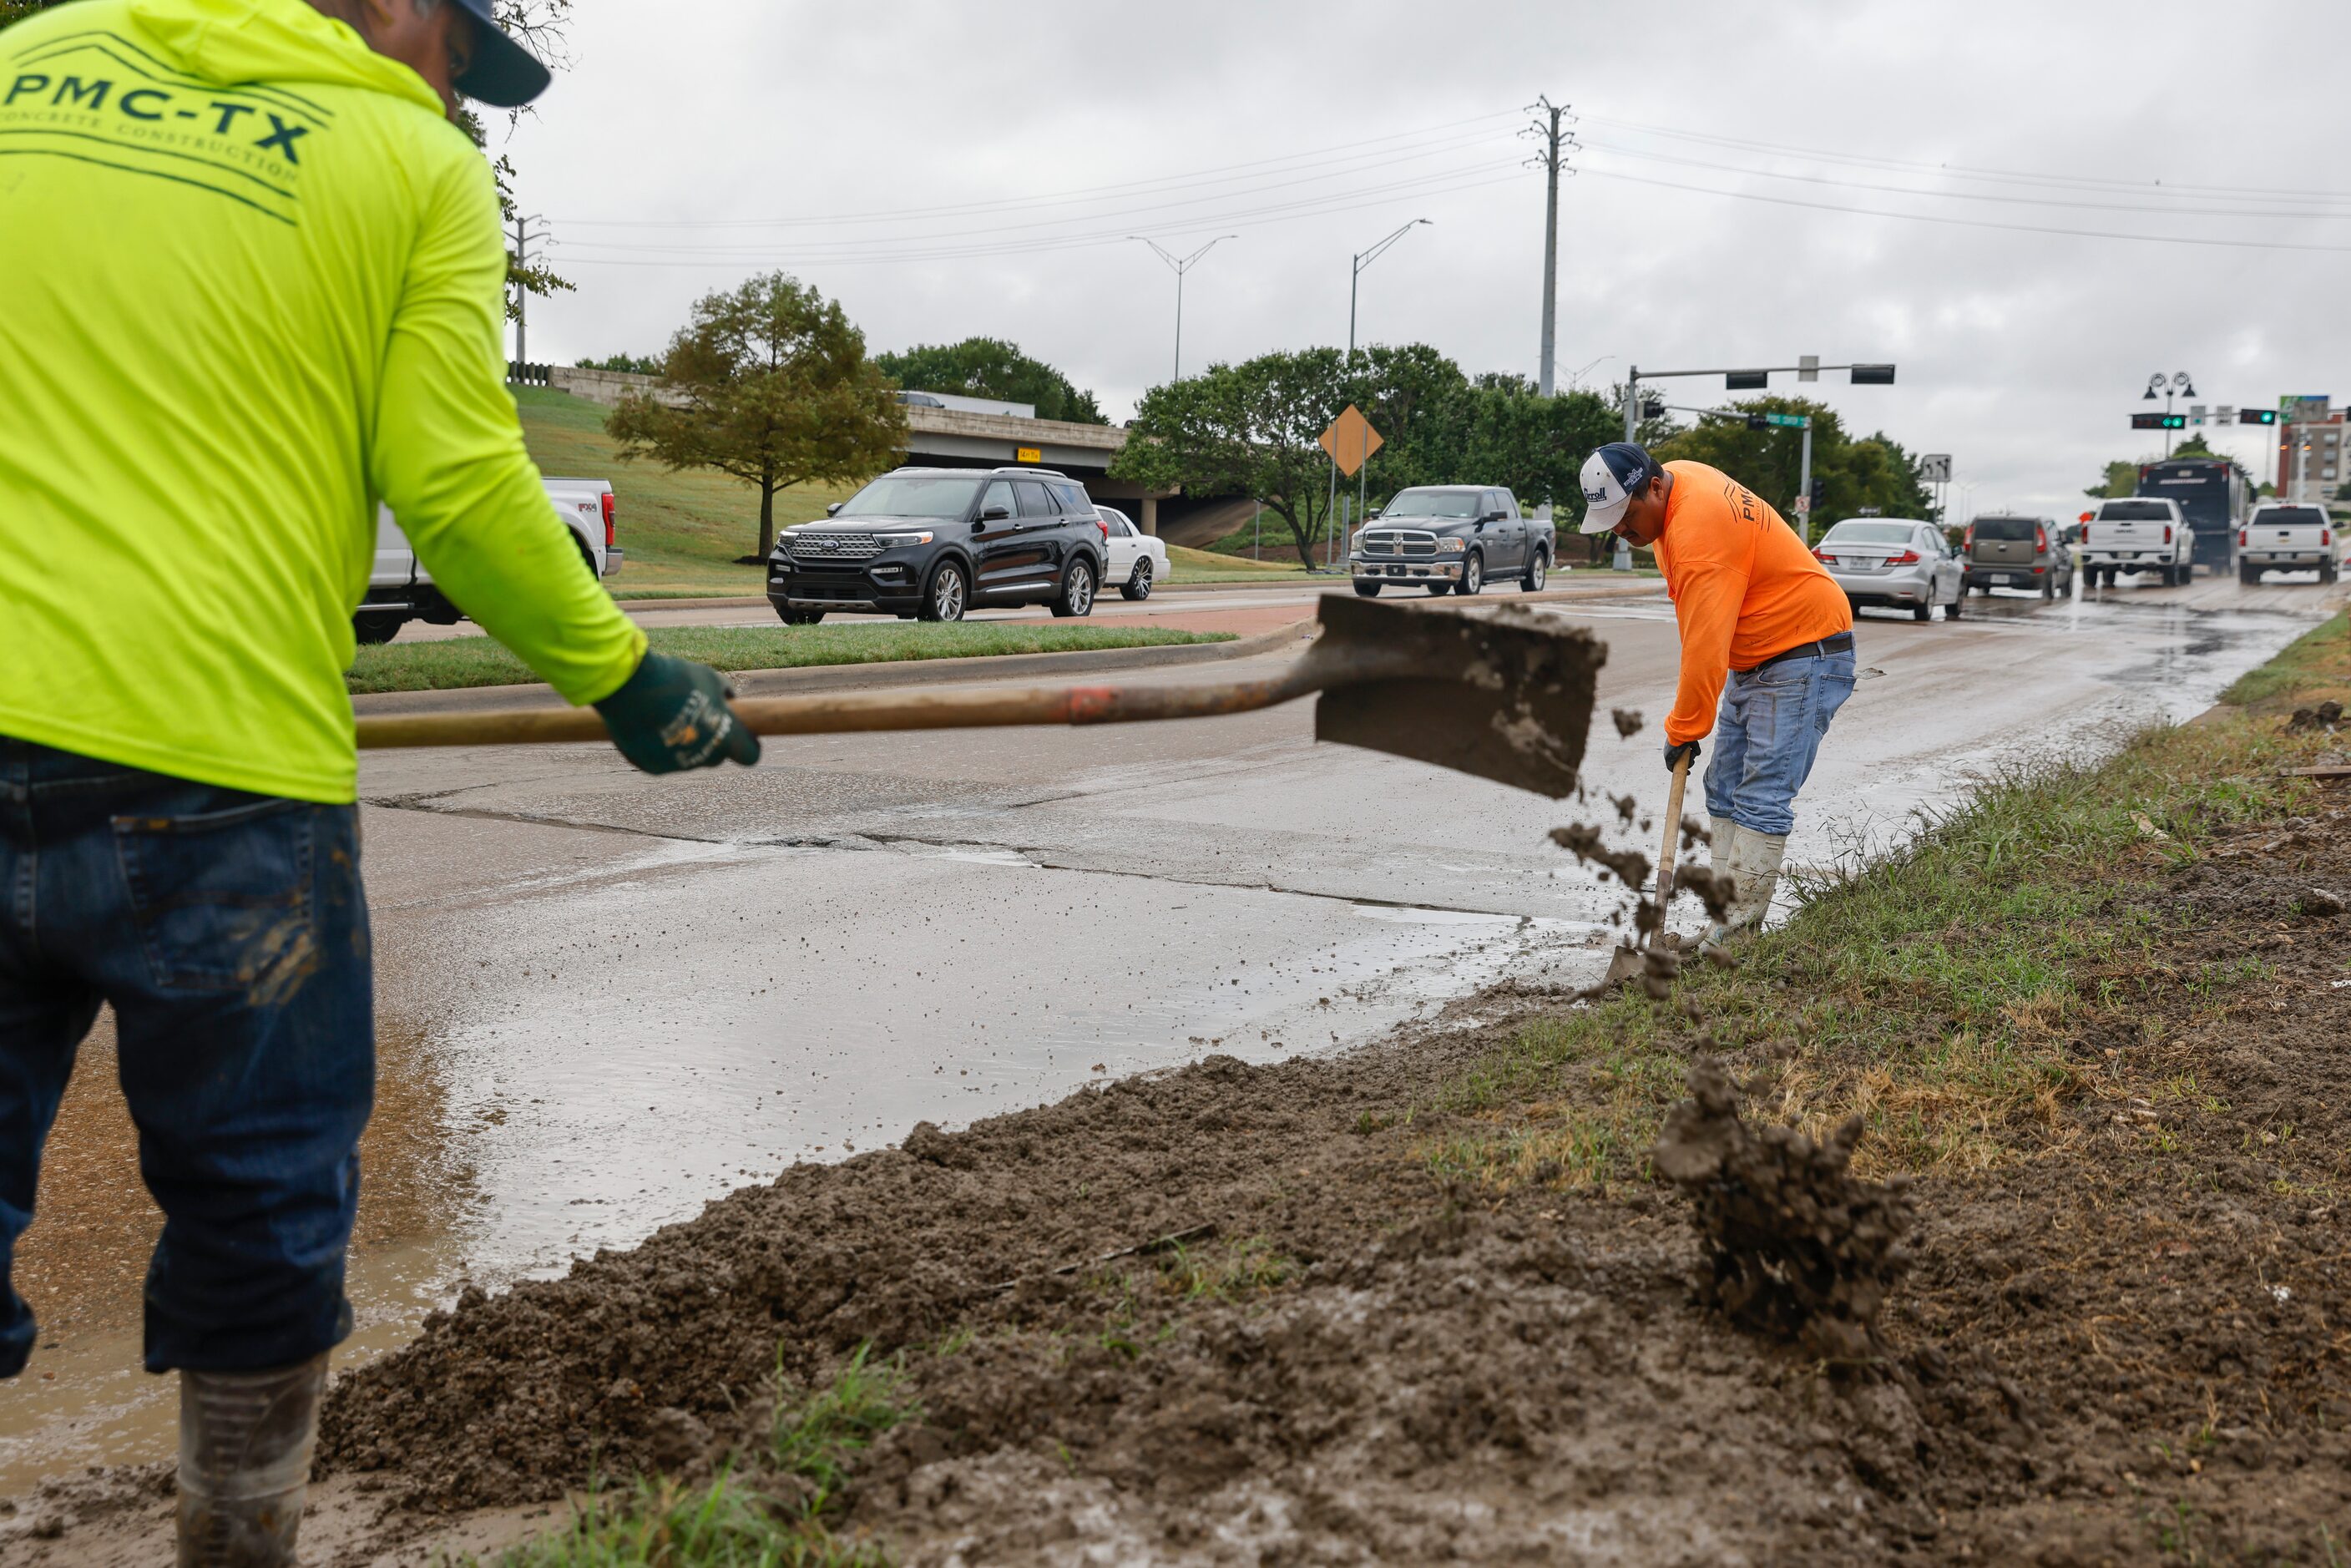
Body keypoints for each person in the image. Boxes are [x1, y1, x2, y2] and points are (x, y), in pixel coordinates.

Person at [0, 0, 756, 1559]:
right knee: (263, 1205)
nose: (461, 100)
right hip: (211, 774)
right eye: (463, 64)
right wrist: (631, 682)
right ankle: (241, 1537)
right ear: (403, 10)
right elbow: (462, 481)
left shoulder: (30, 58)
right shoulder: (411, 162)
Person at [1577, 443, 1855, 953]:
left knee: (1761, 794)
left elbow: (1704, 646)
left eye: (1626, 515)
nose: (1620, 530)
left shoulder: (1698, 531)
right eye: (1610, 520)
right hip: (1758, 657)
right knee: (1724, 786)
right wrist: (1689, 725)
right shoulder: (1675, 488)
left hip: (1803, 651)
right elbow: (1705, 638)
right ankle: (1724, 920)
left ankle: (1739, 935)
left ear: (1655, 487)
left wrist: (1683, 730)